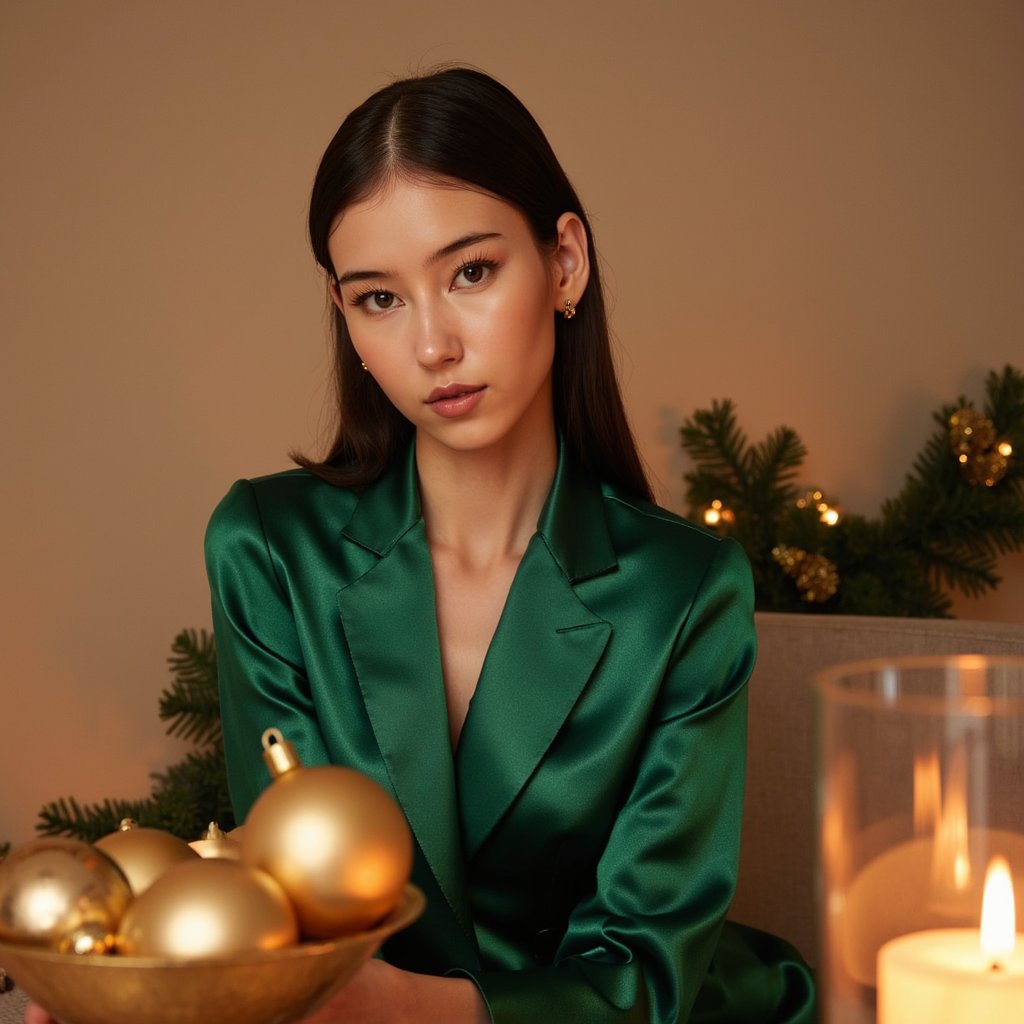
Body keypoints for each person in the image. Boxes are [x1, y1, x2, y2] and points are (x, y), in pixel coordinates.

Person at [25, 65, 814, 1024]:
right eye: (379, 299)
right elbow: (288, 902)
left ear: (565, 262)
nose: (433, 345)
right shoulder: (269, 551)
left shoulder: (684, 593)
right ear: (345, 316)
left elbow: (643, 975)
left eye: (471, 273)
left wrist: (408, 1009)